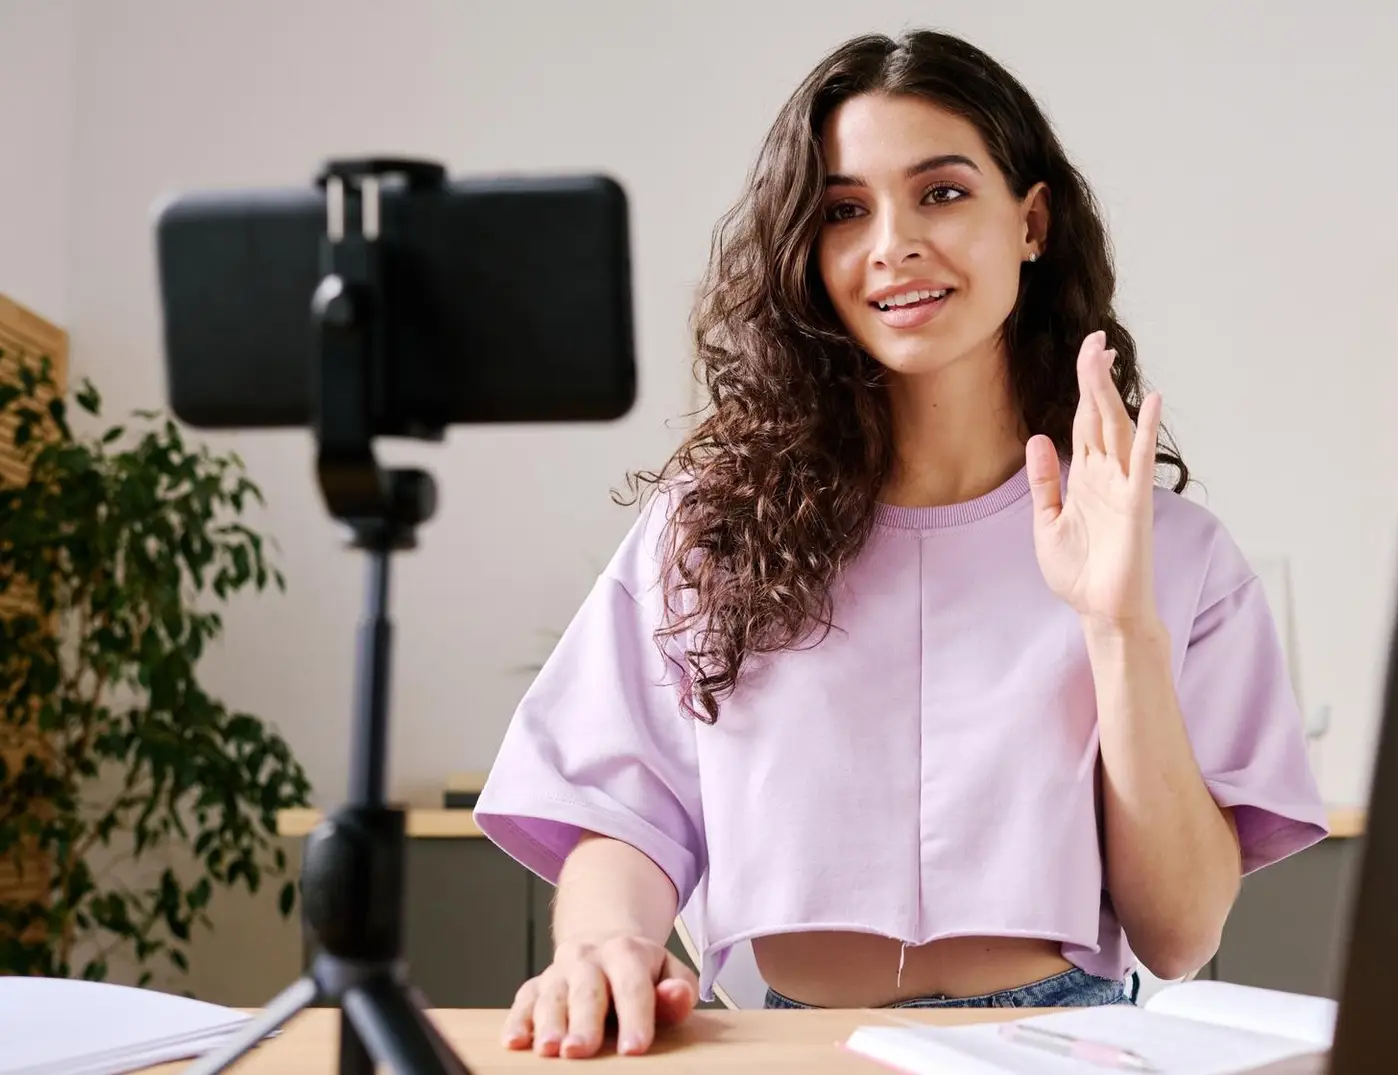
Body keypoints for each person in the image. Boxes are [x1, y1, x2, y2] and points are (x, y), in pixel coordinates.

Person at [472, 27, 1327, 1060]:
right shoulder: (714, 528)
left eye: (943, 192)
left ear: (1033, 220)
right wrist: (602, 943)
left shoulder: (1166, 553)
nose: (892, 243)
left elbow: (1180, 933)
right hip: (779, 1040)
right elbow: (625, 806)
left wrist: (1118, 628)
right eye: (843, 210)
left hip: (1061, 1040)